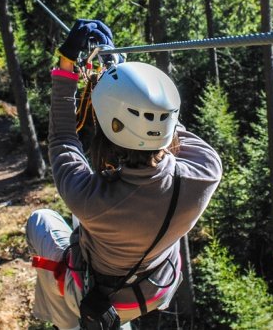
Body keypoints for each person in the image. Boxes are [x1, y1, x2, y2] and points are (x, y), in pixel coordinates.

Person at [26, 19, 222, 330]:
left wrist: (67, 67)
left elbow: (63, 138)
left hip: (97, 294)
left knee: (40, 221)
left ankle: (68, 323)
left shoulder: (90, 197)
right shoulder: (205, 172)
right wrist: (120, 74)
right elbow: (170, 129)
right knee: (82, 224)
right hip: (156, 288)